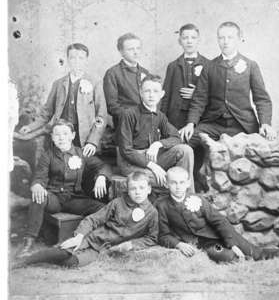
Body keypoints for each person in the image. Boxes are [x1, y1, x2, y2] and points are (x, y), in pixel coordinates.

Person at [179, 22, 276, 185]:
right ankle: (188, 187)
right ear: (217, 40)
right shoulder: (209, 67)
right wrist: (190, 123)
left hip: (241, 125)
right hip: (213, 124)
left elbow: (261, 98)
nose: (225, 41)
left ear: (239, 39)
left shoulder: (250, 65)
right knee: (184, 143)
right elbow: (199, 99)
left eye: (230, 37)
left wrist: (265, 123)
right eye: (221, 37)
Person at [15, 171, 158, 268]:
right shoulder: (118, 203)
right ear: (128, 189)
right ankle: (25, 262)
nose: (138, 192)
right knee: (64, 251)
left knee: (72, 263)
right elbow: (93, 219)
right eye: (133, 188)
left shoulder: (152, 213)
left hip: (104, 249)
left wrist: (131, 244)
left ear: (149, 189)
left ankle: (50, 259)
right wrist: (79, 236)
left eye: (141, 188)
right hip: (93, 239)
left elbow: (152, 238)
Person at [155, 167, 279, 263]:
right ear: (167, 184)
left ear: (188, 183)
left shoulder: (198, 199)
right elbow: (163, 235)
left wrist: (232, 243)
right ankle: (240, 260)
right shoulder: (162, 205)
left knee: (254, 253)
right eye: (173, 183)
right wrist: (179, 244)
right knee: (228, 257)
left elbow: (219, 221)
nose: (178, 187)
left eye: (182, 182)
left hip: (220, 234)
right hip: (205, 243)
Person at [19, 120, 112, 257]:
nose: (61, 137)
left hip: (75, 199)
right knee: (38, 196)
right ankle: (29, 242)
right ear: (52, 137)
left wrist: (101, 177)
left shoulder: (81, 154)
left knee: (102, 208)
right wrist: (38, 186)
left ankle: (94, 240)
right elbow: (40, 176)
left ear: (73, 135)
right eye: (57, 134)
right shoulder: (47, 155)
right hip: (54, 198)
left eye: (65, 134)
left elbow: (104, 166)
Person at [18, 43, 108, 158]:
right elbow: (47, 113)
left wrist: (92, 141)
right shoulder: (58, 84)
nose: (76, 61)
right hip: (61, 135)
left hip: (83, 139)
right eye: (72, 57)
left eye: (81, 58)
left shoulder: (95, 83)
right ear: (67, 59)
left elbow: (101, 117)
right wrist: (31, 127)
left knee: (81, 169)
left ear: (86, 60)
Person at [118, 75, 195, 192]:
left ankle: (188, 198)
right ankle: (173, 198)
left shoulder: (160, 116)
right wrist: (154, 166)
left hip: (152, 156)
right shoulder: (128, 114)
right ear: (140, 93)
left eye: (155, 91)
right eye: (147, 91)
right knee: (168, 180)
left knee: (185, 150)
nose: (151, 95)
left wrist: (158, 144)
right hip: (131, 163)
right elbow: (126, 151)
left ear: (162, 94)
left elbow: (176, 137)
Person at [161, 23, 209, 129]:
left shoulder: (209, 65)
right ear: (180, 41)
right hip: (176, 117)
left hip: (201, 118)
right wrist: (161, 121)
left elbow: (215, 95)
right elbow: (166, 96)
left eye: (193, 37)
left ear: (199, 40)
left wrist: (196, 94)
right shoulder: (173, 66)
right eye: (185, 38)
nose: (189, 41)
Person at [103, 33, 150, 129]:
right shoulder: (113, 73)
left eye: (138, 48)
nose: (136, 52)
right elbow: (111, 105)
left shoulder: (145, 72)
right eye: (131, 49)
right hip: (125, 124)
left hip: (146, 122)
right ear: (121, 52)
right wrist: (130, 116)